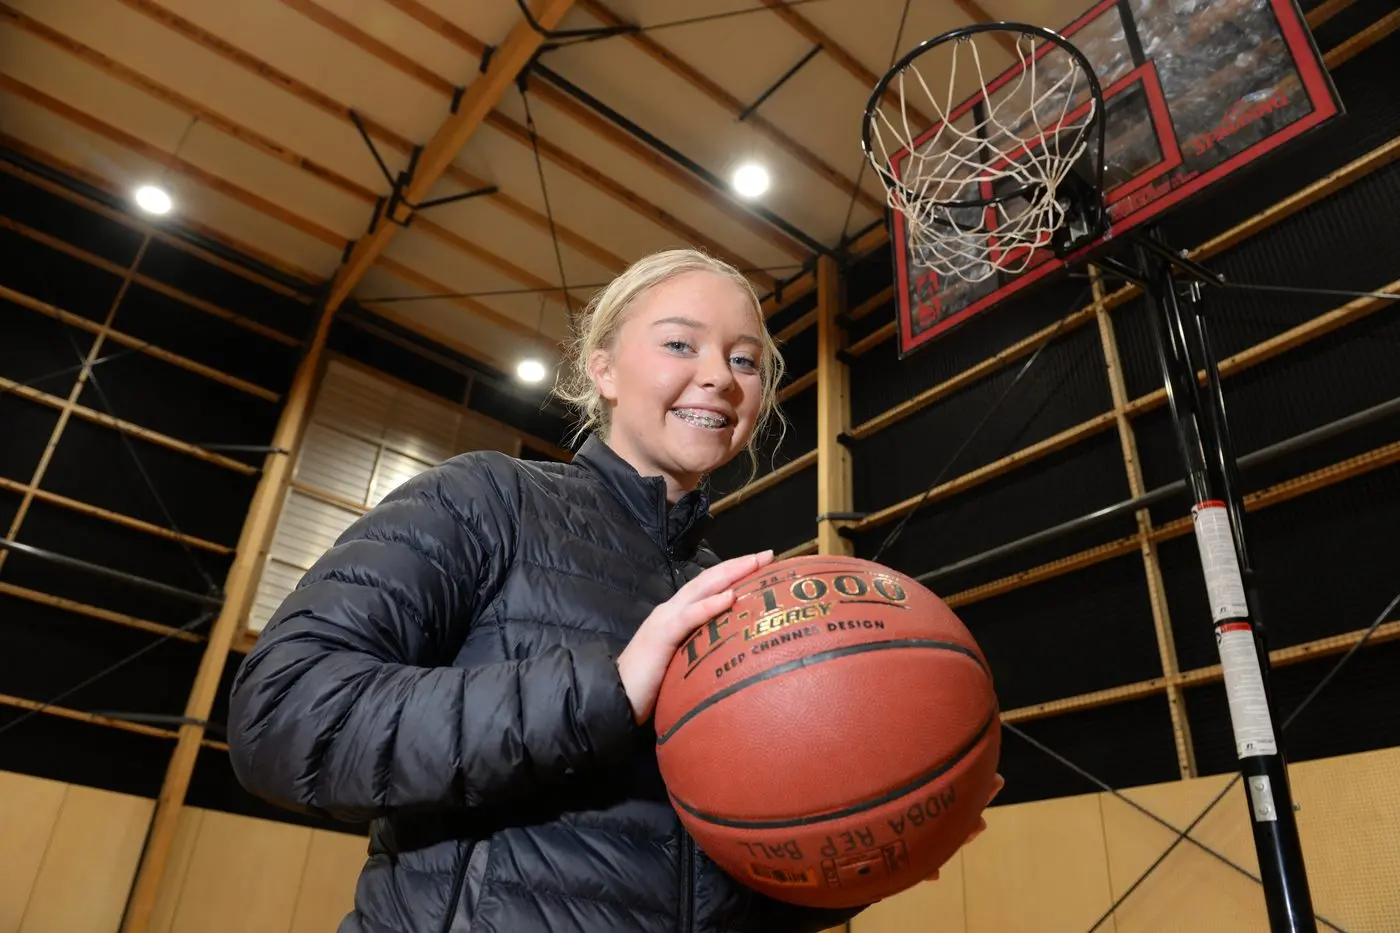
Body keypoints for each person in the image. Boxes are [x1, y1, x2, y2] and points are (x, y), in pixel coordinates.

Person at [227, 248, 997, 933]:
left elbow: (715, 889)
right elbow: (281, 712)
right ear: (602, 369)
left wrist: (870, 844)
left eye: (745, 359)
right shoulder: (488, 500)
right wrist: (612, 688)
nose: (719, 376)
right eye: (680, 344)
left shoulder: (731, 596)